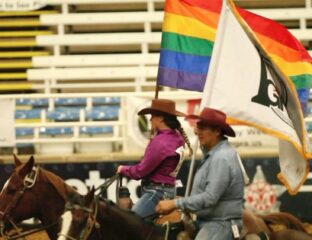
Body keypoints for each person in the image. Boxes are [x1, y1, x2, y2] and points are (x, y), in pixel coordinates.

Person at [156, 107, 245, 240]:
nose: (198, 132)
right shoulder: (214, 155)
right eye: (197, 127)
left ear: (217, 131)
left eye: (203, 128)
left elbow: (210, 198)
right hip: (209, 221)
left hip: (220, 224)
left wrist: (176, 203)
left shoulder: (221, 158)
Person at [117, 98, 193, 218]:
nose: (150, 119)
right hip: (169, 190)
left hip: (156, 192)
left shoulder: (160, 142)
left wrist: (123, 169)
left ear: (161, 118)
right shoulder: (177, 137)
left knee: (130, 222)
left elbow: (140, 172)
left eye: (152, 116)